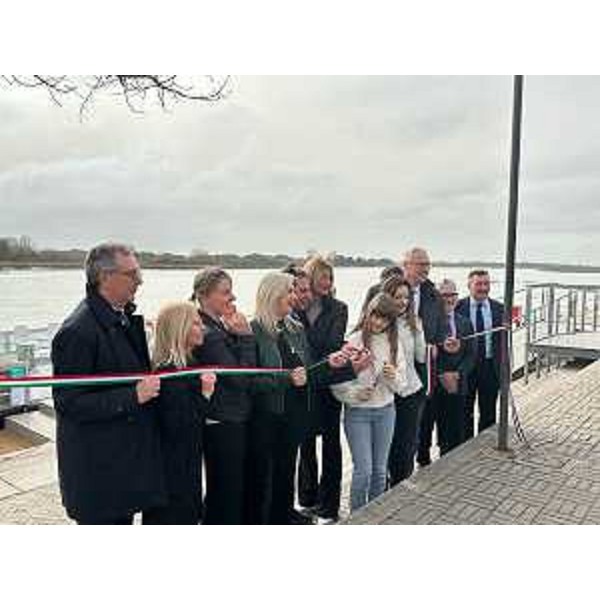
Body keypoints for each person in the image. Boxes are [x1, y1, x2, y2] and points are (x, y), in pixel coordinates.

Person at [51, 243, 165, 525]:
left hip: (121, 465)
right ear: (104, 277)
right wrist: (133, 396)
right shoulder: (77, 332)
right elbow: (68, 403)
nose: (140, 281)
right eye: (132, 274)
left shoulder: (118, 316)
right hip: (98, 473)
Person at [246, 273, 348, 524]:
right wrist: (287, 379)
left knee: (287, 470)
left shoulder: (295, 328)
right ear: (273, 295)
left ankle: (284, 515)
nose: (295, 297)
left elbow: (308, 369)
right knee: (265, 475)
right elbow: (250, 380)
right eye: (289, 292)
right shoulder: (253, 330)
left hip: (295, 414)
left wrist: (330, 362)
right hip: (267, 416)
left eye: (294, 291)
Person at [190, 267, 256, 525]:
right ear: (204, 295)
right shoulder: (209, 334)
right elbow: (241, 378)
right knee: (226, 491)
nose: (233, 297)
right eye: (226, 292)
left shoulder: (216, 327)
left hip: (226, 417)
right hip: (222, 420)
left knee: (224, 489)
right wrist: (247, 337)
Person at [332, 293, 407, 512]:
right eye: (375, 315)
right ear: (368, 312)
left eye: (385, 319)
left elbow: (402, 386)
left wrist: (393, 376)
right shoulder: (353, 340)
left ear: (391, 321)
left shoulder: (394, 343)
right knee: (363, 470)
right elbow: (337, 383)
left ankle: (375, 516)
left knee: (380, 471)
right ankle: (356, 517)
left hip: (386, 411)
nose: (378, 322)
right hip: (358, 414)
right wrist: (355, 393)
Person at [143, 302, 216, 525]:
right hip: (172, 471)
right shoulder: (169, 373)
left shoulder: (185, 366)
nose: (203, 328)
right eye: (196, 323)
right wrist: (206, 394)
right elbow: (181, 424)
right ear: (180, 328)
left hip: (183, 464)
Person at [296, 255, 349, 522]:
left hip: (327, 384)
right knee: (304, 444)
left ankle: (329, 505)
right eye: (323, 277)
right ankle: (307, 500)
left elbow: (332, 344)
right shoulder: (295, 307)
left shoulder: (339, 308)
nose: (328, 282)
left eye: (331, 277)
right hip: (302, 386)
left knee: (331, 444)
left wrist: (304, 348)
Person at [401, 247, 447, 468]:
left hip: (421, 369)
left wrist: (438, 343)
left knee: (414, 425)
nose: (426, 269)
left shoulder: (434, 295)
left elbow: (440, 330)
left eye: (428, 264)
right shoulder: (385, 290)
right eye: (421, 264)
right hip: (393, 368)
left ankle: (408, 470)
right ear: (406, 265)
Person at [380, 276, 427, 485]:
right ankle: (383, 488)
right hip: (385, 392)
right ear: (387, 297)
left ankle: (401, 488)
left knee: (407, 445)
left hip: (409, 391)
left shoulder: (412, 323)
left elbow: (421, 357)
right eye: (397, 297)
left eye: (406, 297)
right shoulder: (377, 322)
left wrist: (419, 330)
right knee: (385, 445)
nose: (403, 302)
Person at [423, 279, 476, 457]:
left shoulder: (465, 323)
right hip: (434, 385)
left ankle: (450, 464)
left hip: (457, 385)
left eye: (453, 294)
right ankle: (424, 462)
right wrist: (441, 374)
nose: (449, 299)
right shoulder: (428, 323)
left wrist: (458, 374)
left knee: (454, 432)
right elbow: (425, 353)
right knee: (425, 432)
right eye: (444, 295)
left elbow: (471, 354)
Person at [456, 269, 504, 439]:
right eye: (479, 284)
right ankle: (466, 446)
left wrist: (505, 368)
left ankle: (485, 444)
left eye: (486, 284)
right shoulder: (458, 307)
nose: (483, 288)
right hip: (465, 367)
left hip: (490, 367)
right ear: (469, 285)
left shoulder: (499, 308)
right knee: (464, 411)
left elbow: (504, 343)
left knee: (489, 411)